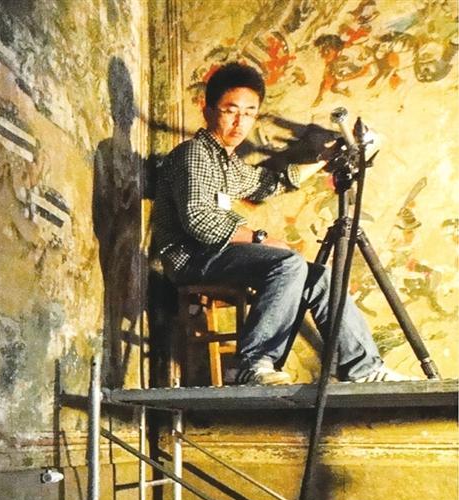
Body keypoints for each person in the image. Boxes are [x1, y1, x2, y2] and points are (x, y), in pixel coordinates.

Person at [152, 61, 407, 386]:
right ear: (208, 110)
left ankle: (363, 368)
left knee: (321, 278)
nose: (240, 122)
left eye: (249, 113)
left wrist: (325, 160)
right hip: (192, 258)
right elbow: (201, 222)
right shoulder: (194, 154)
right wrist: (261, 239)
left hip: (217, 254)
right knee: (287, 263)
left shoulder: (227, 162)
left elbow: (268, 184)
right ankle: (252, 364)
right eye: (231, 111)